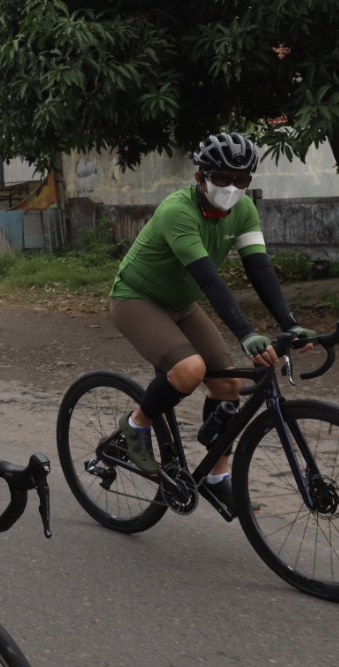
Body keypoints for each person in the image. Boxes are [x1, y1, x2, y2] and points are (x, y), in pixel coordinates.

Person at [108, 131, 316, 510]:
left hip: (182, 303)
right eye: (221, 177)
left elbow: (259, 269)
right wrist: (246, 333)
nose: (232, 187)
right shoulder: (177, 211)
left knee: (228, 385)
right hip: (137, 298)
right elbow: (210, 279)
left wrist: (289, 322)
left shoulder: (244, 210)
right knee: (189, 370)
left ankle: (217, 476)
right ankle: (135, 426)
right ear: (199, 176)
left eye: (242, 180)